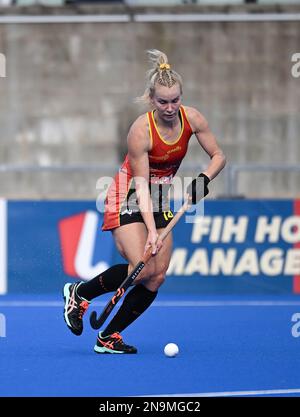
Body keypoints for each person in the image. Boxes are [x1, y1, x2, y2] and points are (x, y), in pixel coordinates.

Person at [63, 49, 226, 354]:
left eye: (175, 100)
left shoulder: (193, 119)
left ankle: (108, 336)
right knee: (142, 264)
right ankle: (80, 293)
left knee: (156, 276)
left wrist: (202, 181)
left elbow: (218, 156)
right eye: (163, 101)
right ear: (152, 99)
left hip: (161, 194)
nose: (169, 107)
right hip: (127, 192)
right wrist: (152, 230)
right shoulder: (140, 130)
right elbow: (140, 185)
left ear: (181, 97)